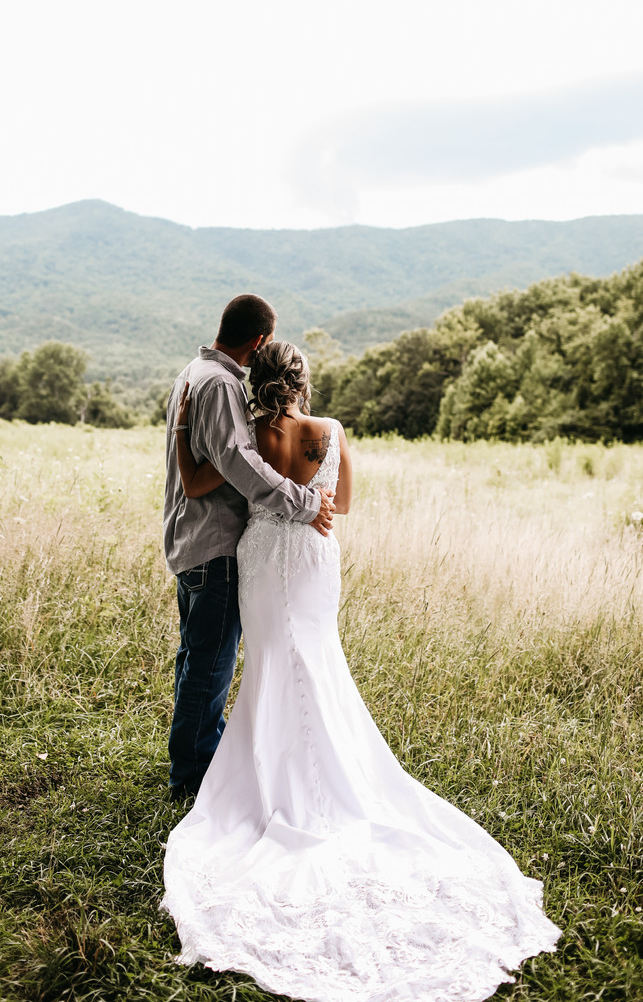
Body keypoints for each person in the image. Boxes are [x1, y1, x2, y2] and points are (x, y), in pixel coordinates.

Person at [162, 340, 560, 1002]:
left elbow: (212, 483)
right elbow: (339, 504)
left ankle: (270, 780)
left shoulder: (249, 438)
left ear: (257, 382)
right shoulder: (329, 433)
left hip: (260, 557)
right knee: (316, 661)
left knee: (265, 667)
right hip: (314, 559)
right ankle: (330, 780)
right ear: (302, 382)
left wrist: (184, 435)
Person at [162, 294, 335, 801]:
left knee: (196, 658)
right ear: (259, 341)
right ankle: (193, 781)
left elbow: (209, 464)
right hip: (212, 542)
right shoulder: (219, 383)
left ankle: (190, 764)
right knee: (210, 667)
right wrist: (304, 503)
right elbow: (239, 462)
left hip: (193, 537)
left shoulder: (195, 372)